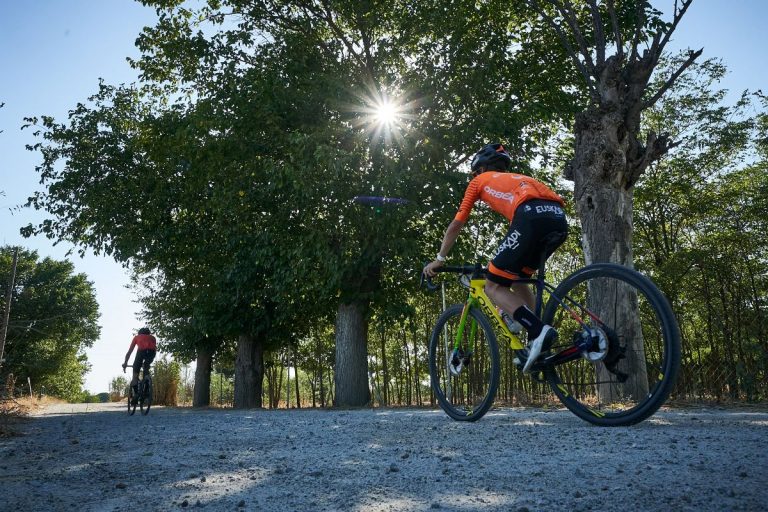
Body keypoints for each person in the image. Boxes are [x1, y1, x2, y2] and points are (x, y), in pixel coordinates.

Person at [423, 143, 568, 372]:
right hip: (558, 218)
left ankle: (538, 330)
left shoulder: (478, 181)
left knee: (492, 285)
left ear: (480, 169)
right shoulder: (517, 179)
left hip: (529, 216)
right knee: (517, 277)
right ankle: (537, 340)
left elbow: (457, 223)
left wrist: (440, 258)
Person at [122, 327, 157, 403]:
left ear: (139, 333)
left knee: (135, 373)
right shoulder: (153, 338)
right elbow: (154, 348)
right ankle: (146, 391)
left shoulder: (137, 337)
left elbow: (129, 352)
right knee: (146, 368)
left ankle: (136, 394)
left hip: (141, 352)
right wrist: (146, 364)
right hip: (152, 353)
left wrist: (125, 363)